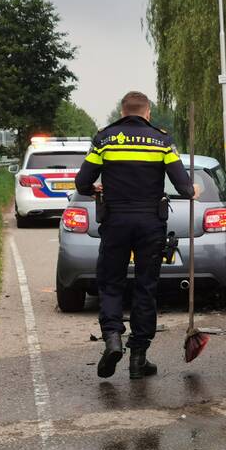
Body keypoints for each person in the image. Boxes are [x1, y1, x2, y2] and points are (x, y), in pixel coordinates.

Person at [75, 90, 198, 380]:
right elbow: (184, 187)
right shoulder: (162, 140)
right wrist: (194, 191)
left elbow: (82, 182)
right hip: (150, 225)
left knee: (111, 283)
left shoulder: (104, 138)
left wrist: (94, 190)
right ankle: (138, 358)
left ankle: (113, 338)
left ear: (122, 112)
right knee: (145, 286)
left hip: (115, 222)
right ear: (148, 113)